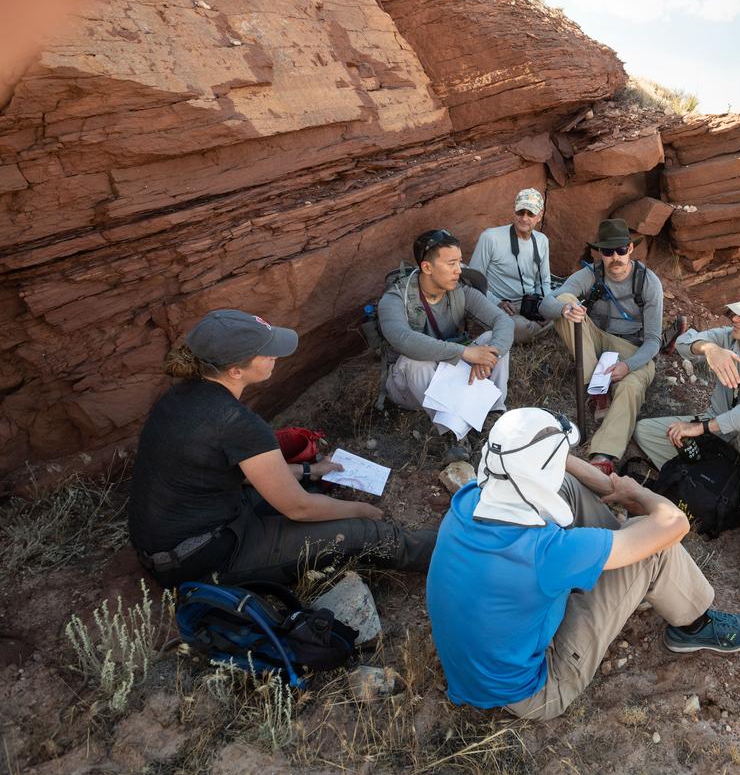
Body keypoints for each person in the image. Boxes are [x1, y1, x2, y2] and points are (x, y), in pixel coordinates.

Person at [426, 407, 740, 721]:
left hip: (474, 669)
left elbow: (550, 472)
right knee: (656, 548)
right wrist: (638, 494)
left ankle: (624, 561)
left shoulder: (468, 498)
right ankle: (694, 625)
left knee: (567, 489)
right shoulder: (546, 553)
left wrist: (610, 486)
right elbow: (674, 524)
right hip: (535, 691)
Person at [128, 309, 436, 587]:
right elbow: (297, 508)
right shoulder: (236, 422)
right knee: (368, 534)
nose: (275, 355)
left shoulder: (182, 396)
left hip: (178, 539)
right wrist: (361, 511)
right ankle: (456, 555)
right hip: (202, 556)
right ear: (236, 370)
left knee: (314, 494)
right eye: (266, 352)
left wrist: (309, 470)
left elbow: (239, 471)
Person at [633, 289, 740, 591]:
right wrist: (708, 348)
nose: (734, 319)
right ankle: (706, 475)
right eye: (735, 313)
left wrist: (704, 429)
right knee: (648, 432)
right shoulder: (728, 337)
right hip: (718, 431)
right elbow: (682, 341)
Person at [539, 218, 679, 475]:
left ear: (631, 249)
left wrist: (628, 366)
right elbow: (544, 305)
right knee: (567, 300)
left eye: (620, 250)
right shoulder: (590, 274)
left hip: (633, 347)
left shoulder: (648, 282)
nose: (615, 257)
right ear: (599, 252)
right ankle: (596, 389)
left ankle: (603, 454)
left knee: (630, 387)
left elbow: (652, 342)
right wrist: (565, 309)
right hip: (598, 338)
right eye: (607, 251)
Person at [379, 228, 515, 463]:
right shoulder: (395, 299)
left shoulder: (460, 291)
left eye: (460, 262)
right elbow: (403, 339)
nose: (458, 270)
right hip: (409, 388)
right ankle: (453, 434)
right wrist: (464, 352)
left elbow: (502, 320)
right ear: (427, 267)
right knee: (415, 361)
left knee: (492, 341)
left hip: (452, 375)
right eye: (451, 263)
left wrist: (489, 356)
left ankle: (492, 413)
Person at [469, 188, 553, 344]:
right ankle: (533, 331)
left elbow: (544, 283)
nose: (524, 218)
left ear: (540, 215)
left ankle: (528, 329)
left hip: (529, 303)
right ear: (514, 210)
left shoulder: (542, 240)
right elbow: (473, 281)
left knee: (562, 312)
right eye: (520, 212)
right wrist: (497, 302)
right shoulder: (490, 237)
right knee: (519, 328)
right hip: (499, 304)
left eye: (530, 214)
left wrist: (546, 307)